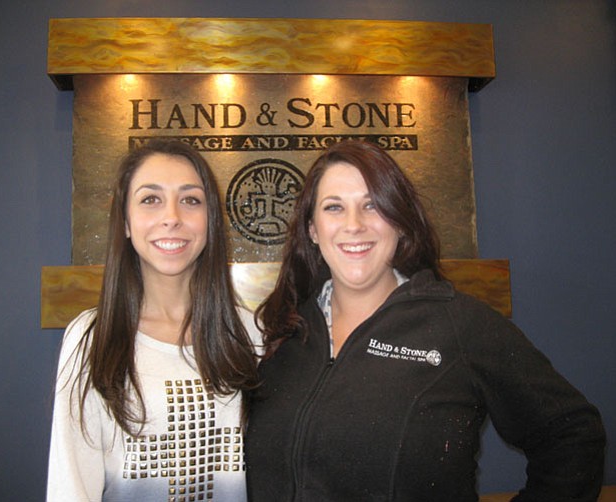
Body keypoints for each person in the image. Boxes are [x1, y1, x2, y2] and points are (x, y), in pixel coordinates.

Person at [244, 140, 605, 501]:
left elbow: (572, 435)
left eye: (372, 205)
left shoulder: (459, 325)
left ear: (400, 223)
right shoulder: (282, 331)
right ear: (312, 229)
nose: (353, 225)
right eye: (334, 207)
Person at [47, 139, 260, 501]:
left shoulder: (250, 332)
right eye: (150, 199)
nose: (172, 217)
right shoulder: (90, 338)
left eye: (191, 200)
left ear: (210, 221)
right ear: (126, 222)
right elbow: (71, 486)